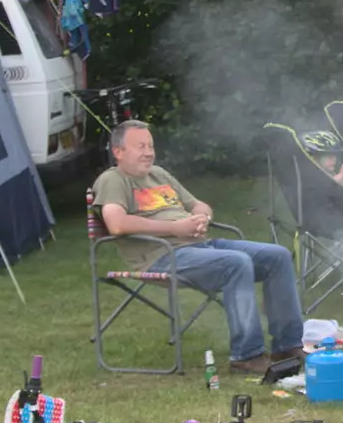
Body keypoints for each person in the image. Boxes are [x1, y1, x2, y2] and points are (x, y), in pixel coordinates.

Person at [93, 120, 300, 376]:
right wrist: (176, 228)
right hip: (162, 256)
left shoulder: (159, 175)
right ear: (119, 152)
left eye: (150, 145)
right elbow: (116, 224)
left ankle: (287, 345)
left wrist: (202, 219)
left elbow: (199, 205)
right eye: (140, 146)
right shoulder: (113, 180)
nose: (148, 152)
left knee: (277, 256)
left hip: (200, 246)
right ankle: (247, 355)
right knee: (236, 263)